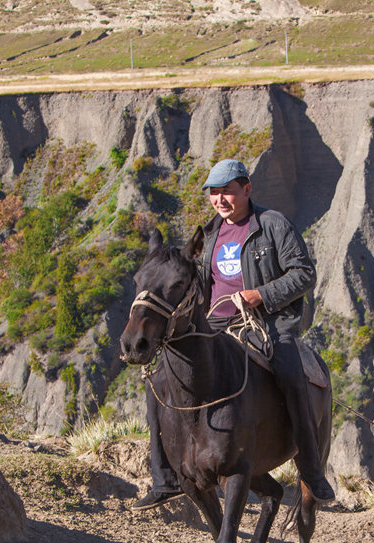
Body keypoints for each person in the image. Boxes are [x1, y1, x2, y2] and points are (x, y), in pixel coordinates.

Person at [131, 158, 336, 510]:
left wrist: (260, 295)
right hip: (214, 325)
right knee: (160, 377)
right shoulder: (209, 233)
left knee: (290, 373)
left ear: (246, 189)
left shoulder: (272, 225)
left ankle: (312, 470)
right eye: (214, 193)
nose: (220, 199)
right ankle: (164, 478)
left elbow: (303, 274)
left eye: (227, 191)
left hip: (267, 324)